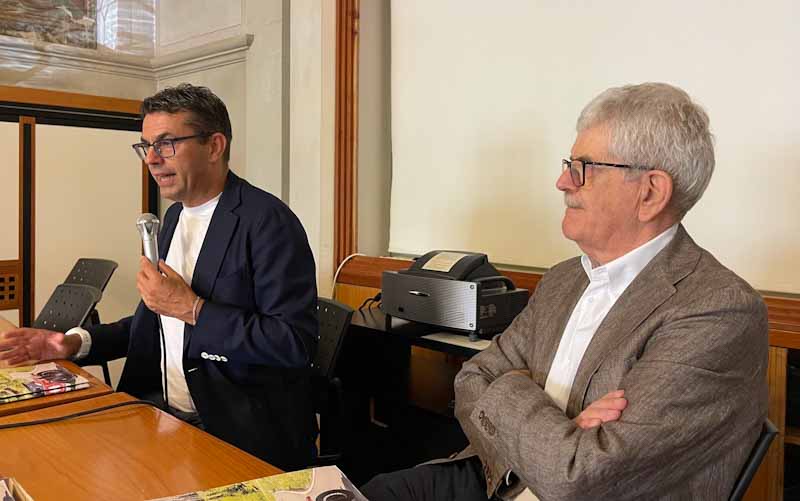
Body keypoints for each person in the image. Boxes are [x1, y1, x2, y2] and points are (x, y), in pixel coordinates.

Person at [361, 82, 768, 500]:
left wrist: (513, 389)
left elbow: (578, 476)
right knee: (368, 493)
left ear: (650, 192)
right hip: (501, 476)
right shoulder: (563, 279)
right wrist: (561, 432)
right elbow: (472, 379)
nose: (562, 181)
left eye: (583, 168)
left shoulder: (718, 310)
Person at [0, 84, 319, 471]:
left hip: (240, 435)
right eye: (146, 146)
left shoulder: (268, 222)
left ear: (214, 146)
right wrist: (72, 343)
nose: (151, 159)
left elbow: (293, 343)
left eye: (166, 144)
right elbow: (156, 319)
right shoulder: (174, 217)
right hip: (166, 418)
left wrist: (193, 309)